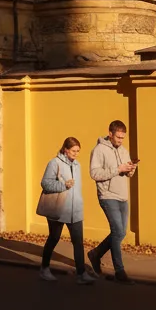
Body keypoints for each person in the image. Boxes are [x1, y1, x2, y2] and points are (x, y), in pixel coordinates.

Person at [38, 137, 99, 284]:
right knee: (54, 238)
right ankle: (44, 269)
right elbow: (45, 183)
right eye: (73, 151)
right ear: (65, 150)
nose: (76, 154)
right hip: (58, 209)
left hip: (75, 210)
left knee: (78, 242)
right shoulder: (54, 163)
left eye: (78, 151)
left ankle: (81, 274)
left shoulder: (77, 165)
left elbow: (77, 189)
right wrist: (63, 185)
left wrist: (79, 204)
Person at [88, 120, 136, 284]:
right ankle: (119, 271)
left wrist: (130, 169)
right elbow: (94, 174)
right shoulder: (99, 150)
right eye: (118, 137)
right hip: (107, 195)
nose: (121, 141)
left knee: (121, 233)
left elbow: (127, 174)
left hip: (122, 196)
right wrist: (118, 169)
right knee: (117, 231)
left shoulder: (124, 150)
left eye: (123, 137)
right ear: (110, 134)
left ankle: (95, 254)